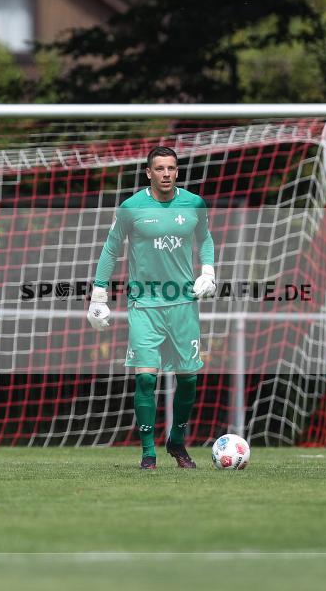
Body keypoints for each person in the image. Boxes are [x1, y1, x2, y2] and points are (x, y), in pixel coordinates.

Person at [87, 146, 216, 470]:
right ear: (148, 172)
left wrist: (209, 272)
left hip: (184, 303)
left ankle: (177, 441)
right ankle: (148, 452)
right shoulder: (131, 208)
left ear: (177, 171)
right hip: (144, 304)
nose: (166, 174)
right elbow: (111, 248)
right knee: (146, 379)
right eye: (159, 168)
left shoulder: (194, 204)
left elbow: (205, 238)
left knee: (188, 380)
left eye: (171, 168)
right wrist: (98, 295)